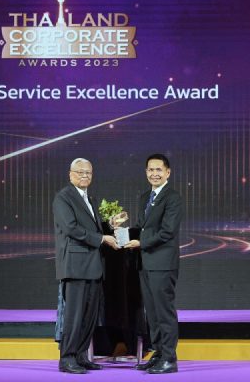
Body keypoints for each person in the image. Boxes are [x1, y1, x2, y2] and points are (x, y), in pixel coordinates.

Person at [53, 158, 119, 374]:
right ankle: (67, 358)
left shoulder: (90, 198)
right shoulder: (63, 197)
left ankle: (81, 356)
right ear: (70, 174)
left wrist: (110, 225)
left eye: (88, 173)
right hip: (75, 266)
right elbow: (71, 228)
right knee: (74, 316)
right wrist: (102, 239)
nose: (84, 176)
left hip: (92, 266)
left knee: (89, 316)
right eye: (80, 172)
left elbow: (93, 228)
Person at [125, 153, 183, 374]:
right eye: (150, 169)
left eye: (159, 170)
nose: (154, 173)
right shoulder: (145, 197)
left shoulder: (173, 198)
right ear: (146, 172)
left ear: (168, 172)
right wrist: (119, 229)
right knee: (152, 312)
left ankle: (169, 358)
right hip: (146, 263)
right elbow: (141, 227)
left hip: (163, 264)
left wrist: (141, 243)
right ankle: (158, 353)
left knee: (164, 312)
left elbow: (167, 231)